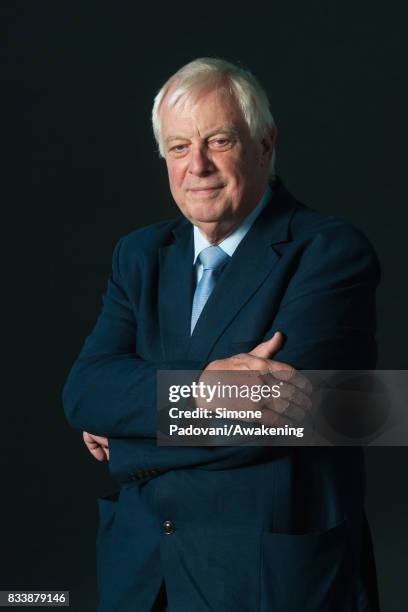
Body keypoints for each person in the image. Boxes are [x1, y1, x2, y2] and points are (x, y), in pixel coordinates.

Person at [63, 58, 381, 611]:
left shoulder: (329, 253)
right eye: (179, 147)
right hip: (143, 577)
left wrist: (127, 436)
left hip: (266, 579)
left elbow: (274, 416)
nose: (199, 166)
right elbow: (84, 391)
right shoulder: (138, 255)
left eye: (219, 140)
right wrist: (212, 388)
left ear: (264, 143)